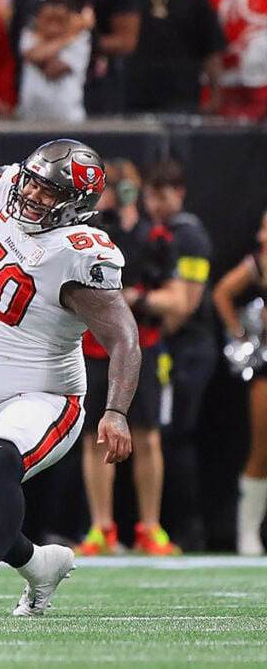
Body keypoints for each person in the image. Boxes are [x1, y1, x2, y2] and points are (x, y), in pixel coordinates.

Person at [0, 34, 140, 620]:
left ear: (76, 204)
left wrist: (117, 410)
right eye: (32, 179)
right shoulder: (6, 197)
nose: (30, 193)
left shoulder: (78, 253)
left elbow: (123, 336)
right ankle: (39, 563)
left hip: (46, 395)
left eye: (49, 190)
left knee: (2, 459)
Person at [76, 159, 184, 556]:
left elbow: (175, 298)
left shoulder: (154, 236)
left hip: (143, 346)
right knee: (92, 438)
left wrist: (137, 299)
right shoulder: (86, 234)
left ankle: (149, 527)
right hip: (91, 347)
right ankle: (101, 528)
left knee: (147, 436)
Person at [141, 158, 215, 553]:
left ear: (180, 193)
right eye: (150, 195)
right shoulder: (154, 234)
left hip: (188, 348)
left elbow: (186, 303)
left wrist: (143, 328)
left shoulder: (188, 236)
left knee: (179, 437)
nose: (156, 203)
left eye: (163, 195)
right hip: (166, 345)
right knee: (165, 437)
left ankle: (190, 531)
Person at [212, 209, 267, 555]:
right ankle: (248, 534)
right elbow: (222, 292)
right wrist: (239, 332)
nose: (262, 234)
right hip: (266, 368)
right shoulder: (260, 263)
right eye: (262, 226)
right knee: (261, 449)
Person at [16, 0, 93, 122]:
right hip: (30, 119)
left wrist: (47, 46)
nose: (53, 27)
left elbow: (52, 70)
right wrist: (66, 38)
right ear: (38, 19)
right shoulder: (29, 34)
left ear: (69, 21)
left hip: (68, 119)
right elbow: (32, 55)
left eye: (59, 21)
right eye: (48, 20)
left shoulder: (81, 39)